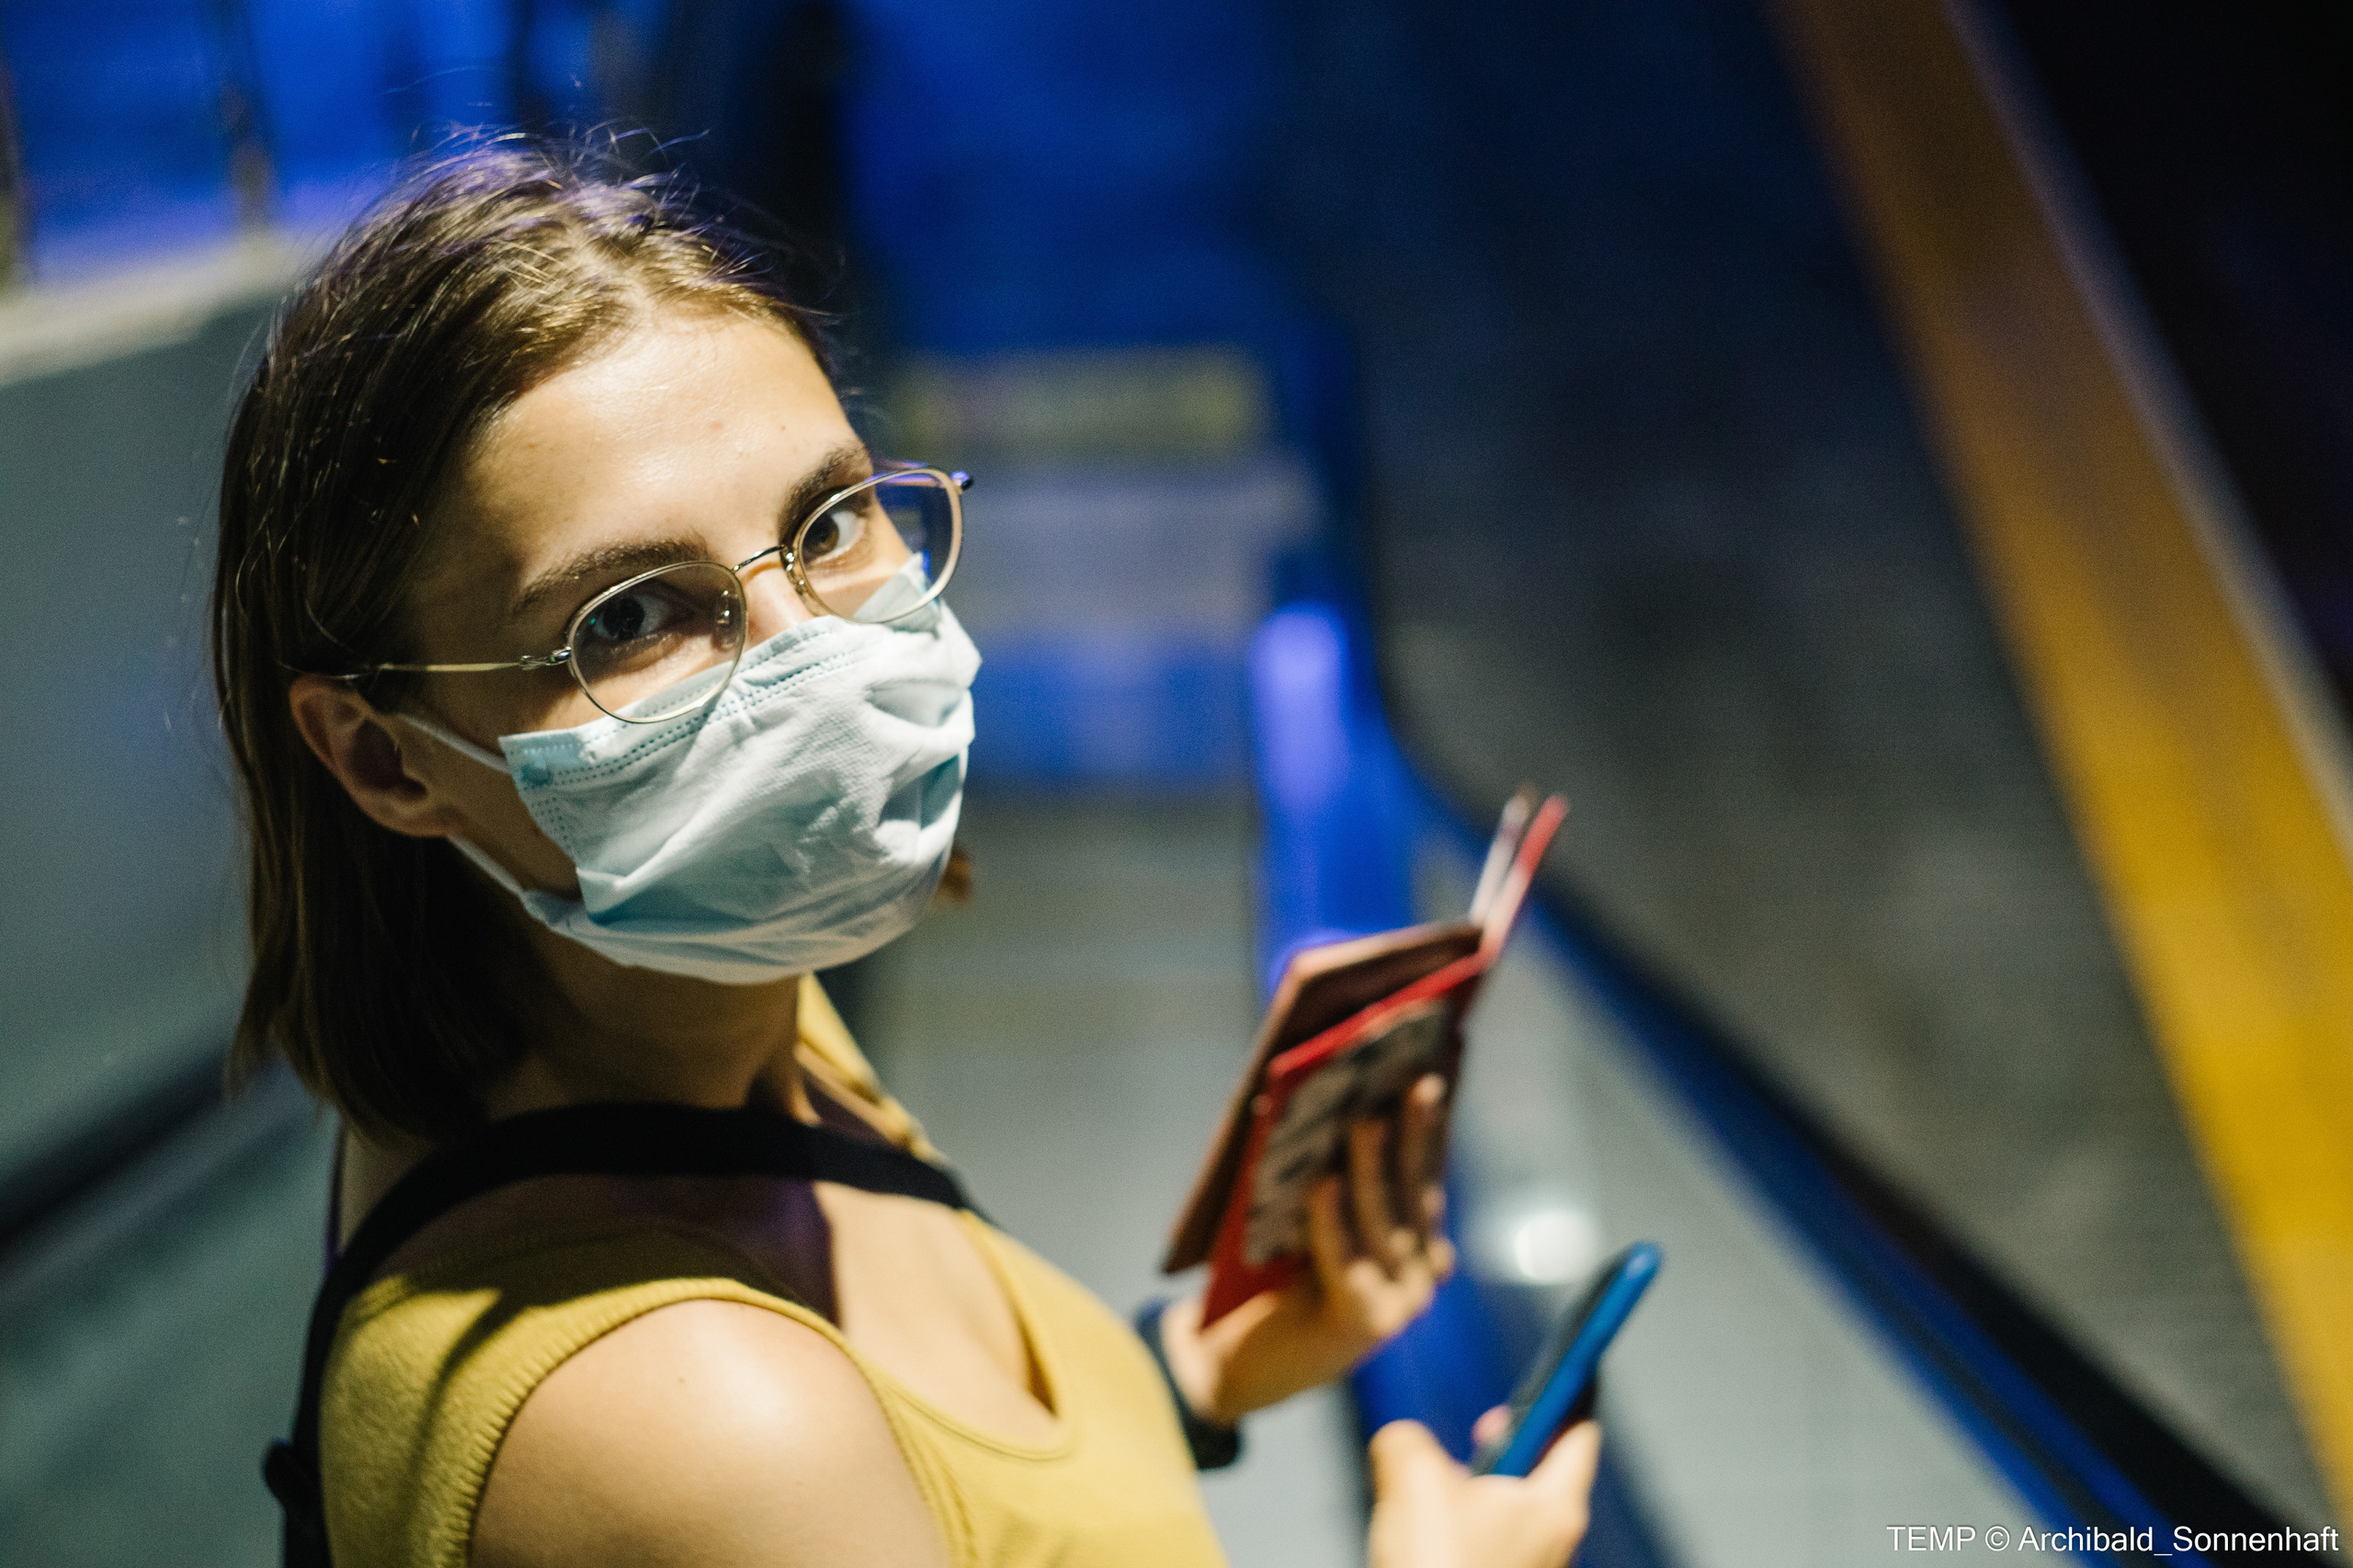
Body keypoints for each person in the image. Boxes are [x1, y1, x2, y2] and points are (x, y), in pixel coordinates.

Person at [211, 142, 1599, 1568]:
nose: (808, 654)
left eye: (827, 519)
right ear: (385, 755)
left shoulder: (669, 997)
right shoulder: (703, 1425)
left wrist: (1187, 1370)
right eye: (629, 616)